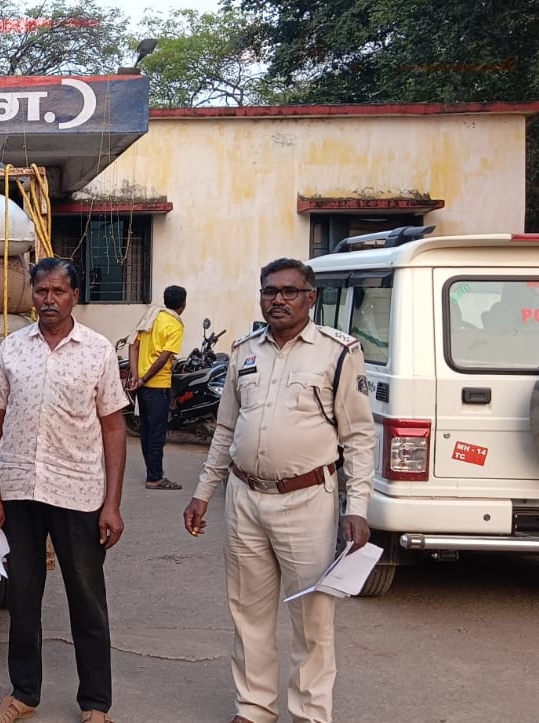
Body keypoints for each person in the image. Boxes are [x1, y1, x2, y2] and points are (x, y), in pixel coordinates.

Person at [182, 258, 377, 723]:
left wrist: (359, 506)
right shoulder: (245, 352)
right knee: (248, 613)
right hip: (246, 499)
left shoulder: (338, 352)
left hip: (309, 500)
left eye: (290, 291)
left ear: (310, 297)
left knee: (312, 616)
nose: (279, 300)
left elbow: (359, 437)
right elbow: (225, 429)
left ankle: (310, 714)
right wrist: (203, 492)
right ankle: (253, 709)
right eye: (270, 291)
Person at [0, 257, 130, 723]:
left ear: (74, 297)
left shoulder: (98, 351)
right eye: (41, 291)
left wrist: (113, 504)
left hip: (79, 492)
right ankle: (23, 694)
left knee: (87, 600)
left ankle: (95, 704)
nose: (48, 300)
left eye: (58, 292)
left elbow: (113, 429)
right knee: (22, 598)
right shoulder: (12, 349)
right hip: (20, 490)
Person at [125, 285, 187, 490]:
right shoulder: (175, 325)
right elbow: (163, 358)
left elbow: (133, 346)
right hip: (158, 385)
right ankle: (155, 477)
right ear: (183, 304)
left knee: (147, 430)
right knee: (157, 434)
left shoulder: (152, 317)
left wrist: (136, 376)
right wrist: (145, 379)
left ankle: (152, 472)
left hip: (143, 386)